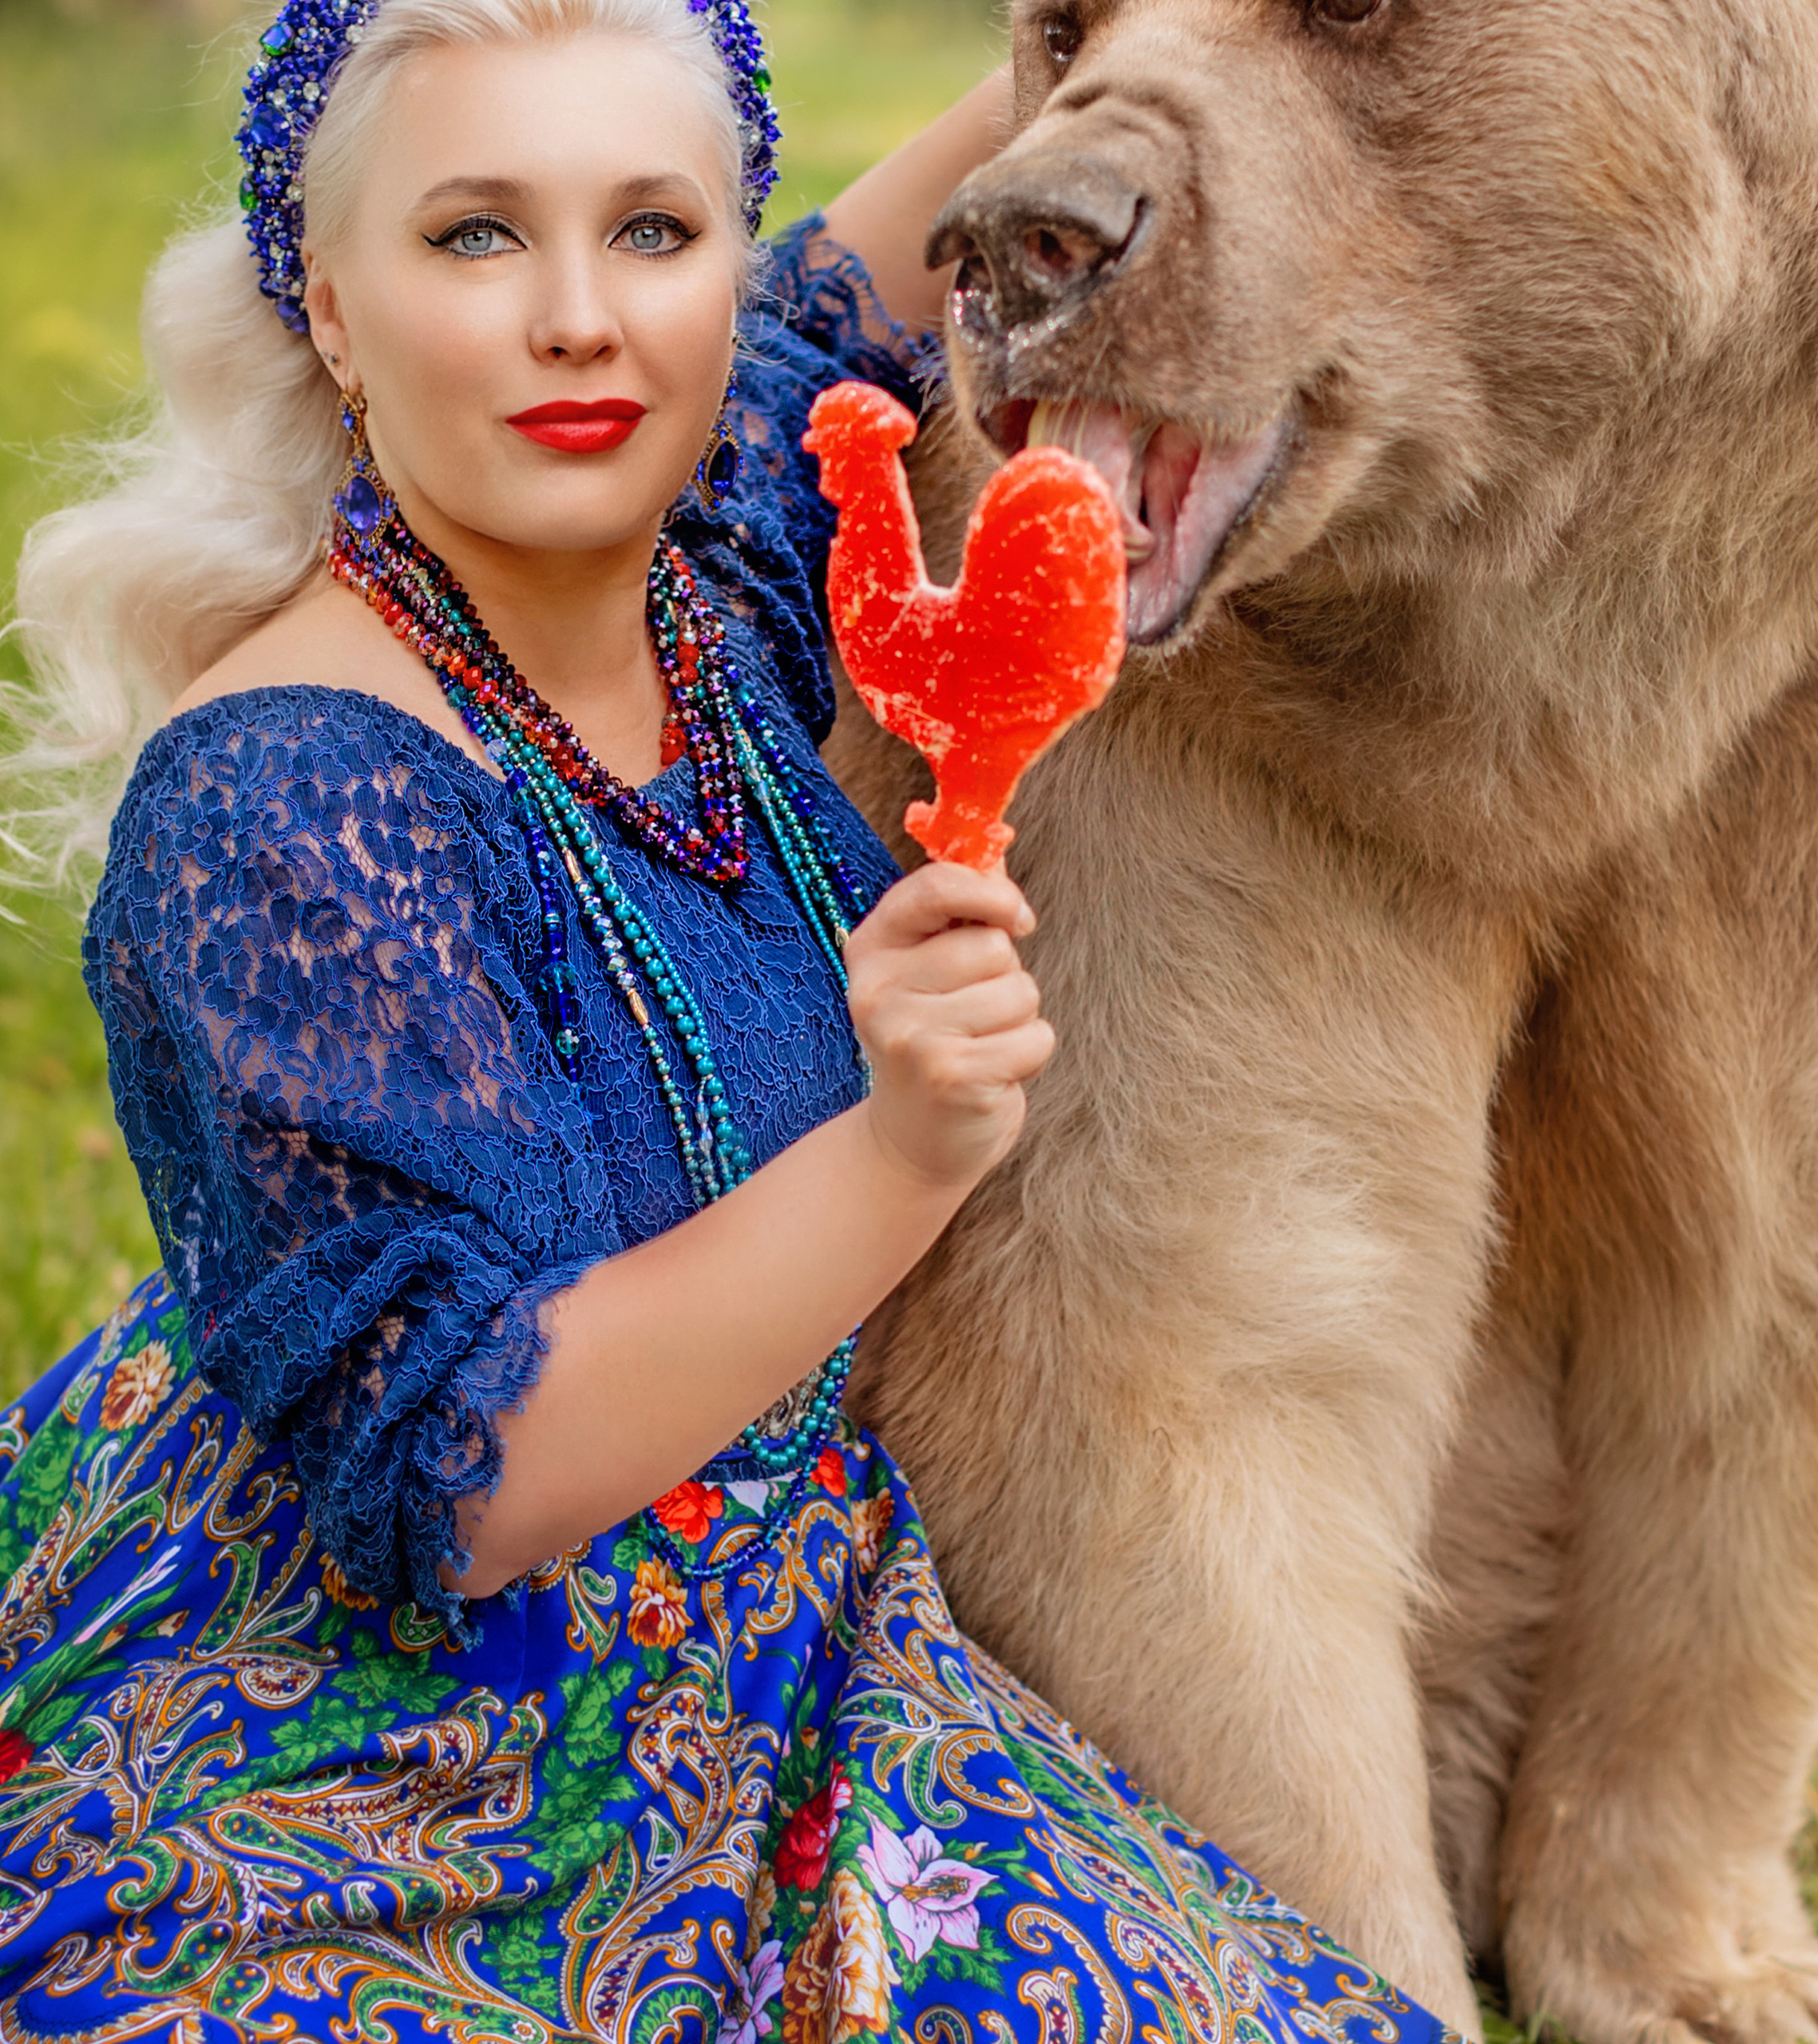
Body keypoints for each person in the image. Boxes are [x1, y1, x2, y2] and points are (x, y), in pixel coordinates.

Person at [0, 0, 1460, 2035]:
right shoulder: (289, 805)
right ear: (332, 307)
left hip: (789, 1610)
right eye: (478, 238)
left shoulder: (719, 566)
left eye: (656, 233)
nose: (584, 320)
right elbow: (458, 1477)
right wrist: (897, 1150)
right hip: (407, 1726)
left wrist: (1110, 29)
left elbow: (845, 292)